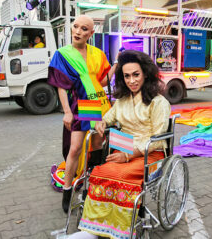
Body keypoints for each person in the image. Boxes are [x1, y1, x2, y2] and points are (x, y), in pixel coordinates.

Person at [68, 50, 171, 239]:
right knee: (99, 172)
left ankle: (121, 230)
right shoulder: (122, 101)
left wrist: (129, 155)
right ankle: (95, 228)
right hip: (123, 149)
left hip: (149, 154)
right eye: (127, 76)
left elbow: (158, 139)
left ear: (146, 74)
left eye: (136, 75)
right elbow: (108, 117)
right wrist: (101, 122)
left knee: (119, 174)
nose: (132, 80)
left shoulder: (159, 103)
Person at [47, 15, 118, 213]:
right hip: (80, 104)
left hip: (100, 103)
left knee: (96, 146)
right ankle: (68, 190)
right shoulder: (62, 54)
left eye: (84, 28)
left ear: (91, 33)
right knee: (76, 148)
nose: (78, 31)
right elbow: (61, 86)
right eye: (76, 27)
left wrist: (116, 66)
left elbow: (103, 82)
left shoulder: (98, 53)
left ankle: (92, 187)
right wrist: (67, 111)